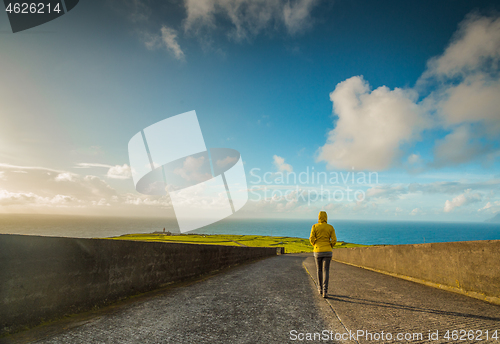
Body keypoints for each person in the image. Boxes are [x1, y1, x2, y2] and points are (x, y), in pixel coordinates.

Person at [309, 211, 337, 298]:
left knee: (319, 270)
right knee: (326, 271)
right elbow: (334, 240)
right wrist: (330, 246)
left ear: (319, 217)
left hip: (318, 251)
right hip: (328, 251)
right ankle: (325, 291)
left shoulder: (315, 226)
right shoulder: (330, 227)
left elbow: (311, 238)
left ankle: (320, 289)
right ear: (326, 217)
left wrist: (315, 245)